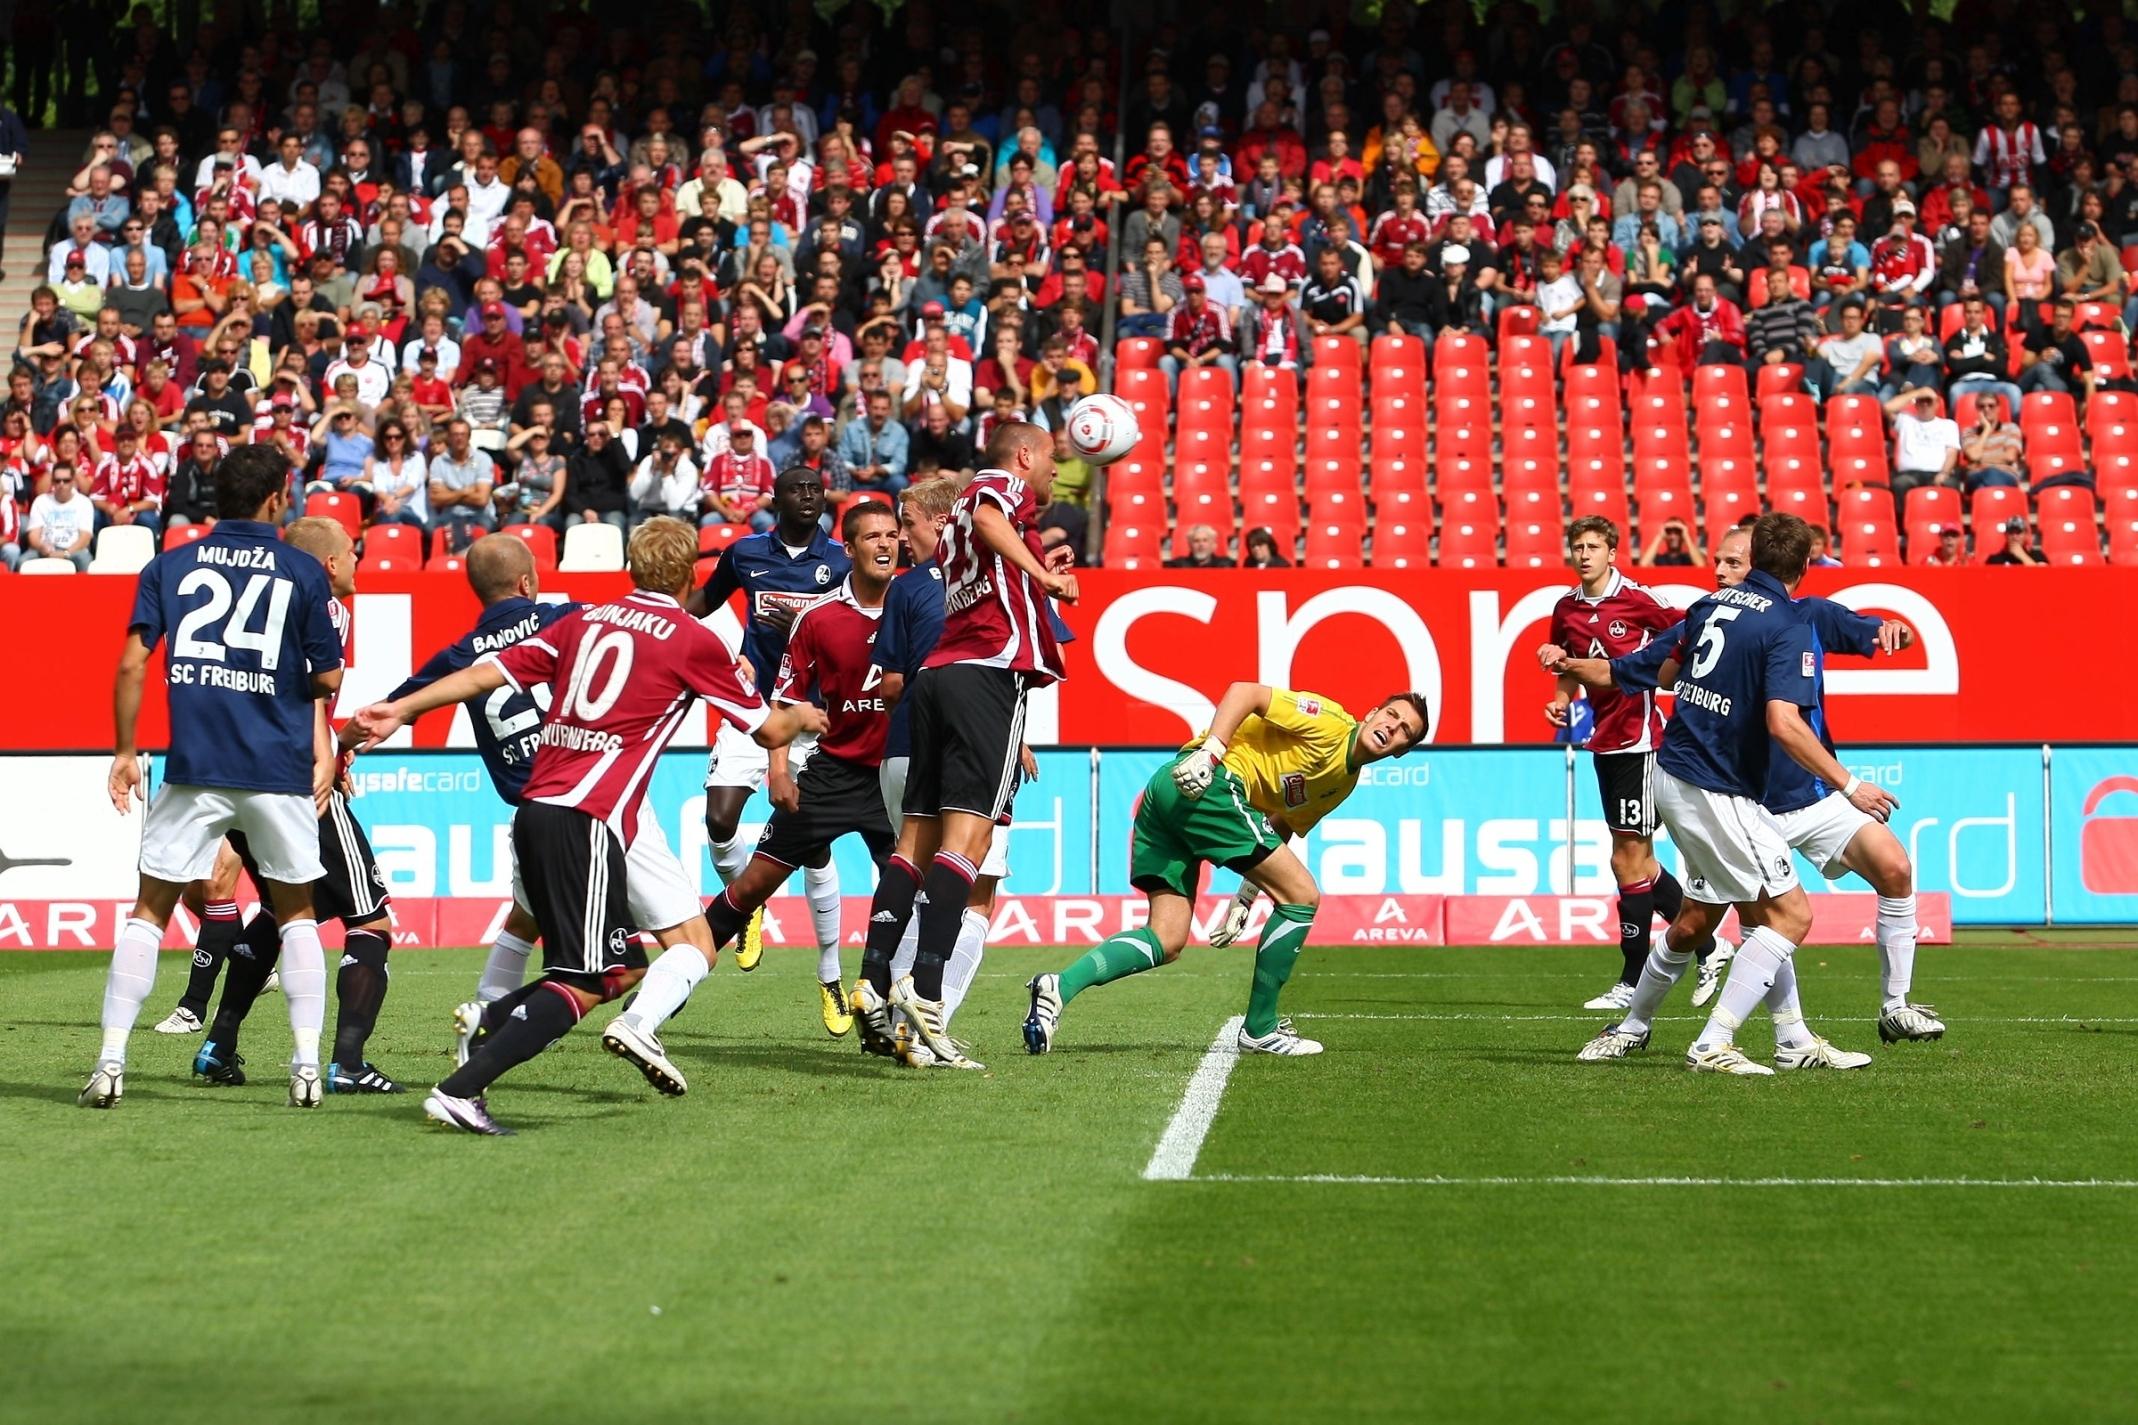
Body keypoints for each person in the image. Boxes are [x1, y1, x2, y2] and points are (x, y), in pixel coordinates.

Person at [342, 518, 825, 1133]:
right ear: (688, 576)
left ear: (632, 567)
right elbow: (768, 731)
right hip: (589, 819)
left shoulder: (583, 620)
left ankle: (490, 1025)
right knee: (592, 976)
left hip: (537, 812)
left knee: (616, 965)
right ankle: (463, 1088)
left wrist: (402, 709)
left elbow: (487, 672)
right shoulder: (688, 639)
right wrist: (807, 713)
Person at [1551, 524, 1944, 1041]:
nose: (1720, 572)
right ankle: (1640, 1024)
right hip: (1741, 802)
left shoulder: (1803, 616)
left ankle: (1893, 1007)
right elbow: (1635, 670)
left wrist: (1896, 631)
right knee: (1700, 926)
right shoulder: (1709, 616)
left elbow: (1870, 630)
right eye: (1717, 562)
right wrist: (1567, 669)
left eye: (1733, 563)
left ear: (1759, 565)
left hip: (1810, 793)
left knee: (1894, 868)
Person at [603, 503, 905, 1081]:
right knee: (748, 889)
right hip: (831, 773)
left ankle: (885, 1007)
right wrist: (779, 768)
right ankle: (660, 1001)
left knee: (910, 894)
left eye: (893, 534)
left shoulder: (918, 605)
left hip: (892, 777)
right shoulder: (818, 619)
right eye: (872, 536)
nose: (885, 544)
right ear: (850, 549)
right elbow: (786, 698)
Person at [84, 446, 344, 1110]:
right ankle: (307, 1066)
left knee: (150, 909)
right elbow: (328, 677)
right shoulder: (304, 572)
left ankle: (111, 1061)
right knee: (298, 916)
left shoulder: (168, 564)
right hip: (277, 769)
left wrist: (122, 750)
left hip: (196, 766)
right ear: (278, 497)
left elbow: (129, 666)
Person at [1025, 681, 1429, 1057]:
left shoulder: (1343, 782)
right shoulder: (1328, 721)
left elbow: (1280, 823)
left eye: (1404, 732)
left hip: (1169, 793)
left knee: (1166, 939)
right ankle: (1260, 1028)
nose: (1392, 728)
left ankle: (1059, 987)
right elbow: (1245, 692)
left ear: (1400, 751)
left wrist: (1247, 895)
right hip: (1209, 780)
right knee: (1302, 895)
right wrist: (1210, 752)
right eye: (1391, 716)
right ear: (1373, 712)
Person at [851, 423, 1078, 1070]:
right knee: (969, 847)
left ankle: (872, 978)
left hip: (939, 680)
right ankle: (925, 1001)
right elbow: (985, 510)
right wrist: (1044, 572)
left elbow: (986, 556)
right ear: (1025, 455)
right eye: (1052, 463)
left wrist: (1037, 572)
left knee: (914, 844)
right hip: (986, 677)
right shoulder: (993, 486)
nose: (1053, 476)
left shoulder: (948, 546)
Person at [186, 518, 403, 1096]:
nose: (358, 560)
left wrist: (332, 743)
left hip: (235, 773)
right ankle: (348, 1064)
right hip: (296, 781)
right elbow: (310, 691)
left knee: (283, 913)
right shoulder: (324, 606)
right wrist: (324, 757)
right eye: (352, 552)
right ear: (329, 563)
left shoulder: (262, 596)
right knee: (372, 920)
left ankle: (217, 1045)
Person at [1541, 517, 1726, 1010]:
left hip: (1641, 742)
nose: (1584, 555)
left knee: (1627, 858)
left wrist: (1676, 681)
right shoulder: (1566, 609)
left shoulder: (1640, 599)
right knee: (1633, 860)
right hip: (1604, 742)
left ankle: (1632, 977)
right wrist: (1562, 700)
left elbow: (1693, 635)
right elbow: (1569, 670)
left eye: (1593, 547)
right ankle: (1709, 946)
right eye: (1577, 547)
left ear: (1612, 553)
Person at [686, 466, 851, 976]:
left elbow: (863, 625)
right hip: (751, 706)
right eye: (797, 489)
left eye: (815, 489)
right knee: (718, 821)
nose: (807, 496)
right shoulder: (745, 553)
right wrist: (656, 611)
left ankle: (830, 972)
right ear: (774, 499)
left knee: (813, 841)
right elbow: (702, 604)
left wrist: (805, 622)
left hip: (811, 712)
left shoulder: (843, 561)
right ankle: (749, 903)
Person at [1885, 389, 1963, 502]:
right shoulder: (1906, 420)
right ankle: (1903, 519)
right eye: (1921, 401)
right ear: (1915, 404)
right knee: (1900, 484)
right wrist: (1917, 393)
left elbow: (1952, 452)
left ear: (1936, 404)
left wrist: (1944, 473)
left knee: (1950, 484)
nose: (1925, 405)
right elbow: (1887, 407)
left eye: (1929, 401)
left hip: (1937, 472)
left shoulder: (1949, 425)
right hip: (1910, 473)